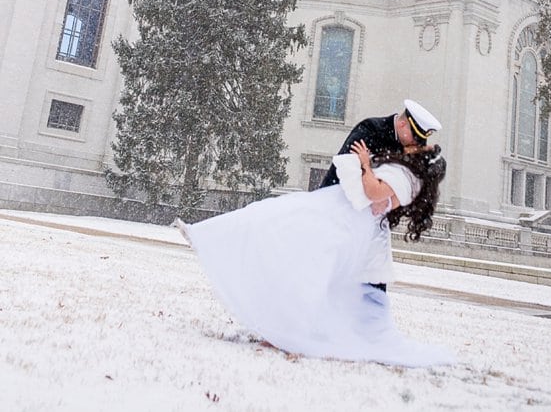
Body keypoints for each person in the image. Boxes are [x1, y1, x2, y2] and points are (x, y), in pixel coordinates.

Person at [177, 116, 455, 367]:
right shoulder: (393, 155)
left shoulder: (408, 179)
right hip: (341, 213)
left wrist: (365, 165)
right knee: (274, 220)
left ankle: (287, 327)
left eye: (423, 146)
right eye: (420, 140)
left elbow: (374, 196)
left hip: (346, 220)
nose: (419, 145)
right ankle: (209, 236)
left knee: (286, 238)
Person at [319, 98, 442, 188]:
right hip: (338, 199)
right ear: (402, 124)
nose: (415, 143)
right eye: (415, 137)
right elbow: (344, 168)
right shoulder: (370, 130)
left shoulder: (406, 147)